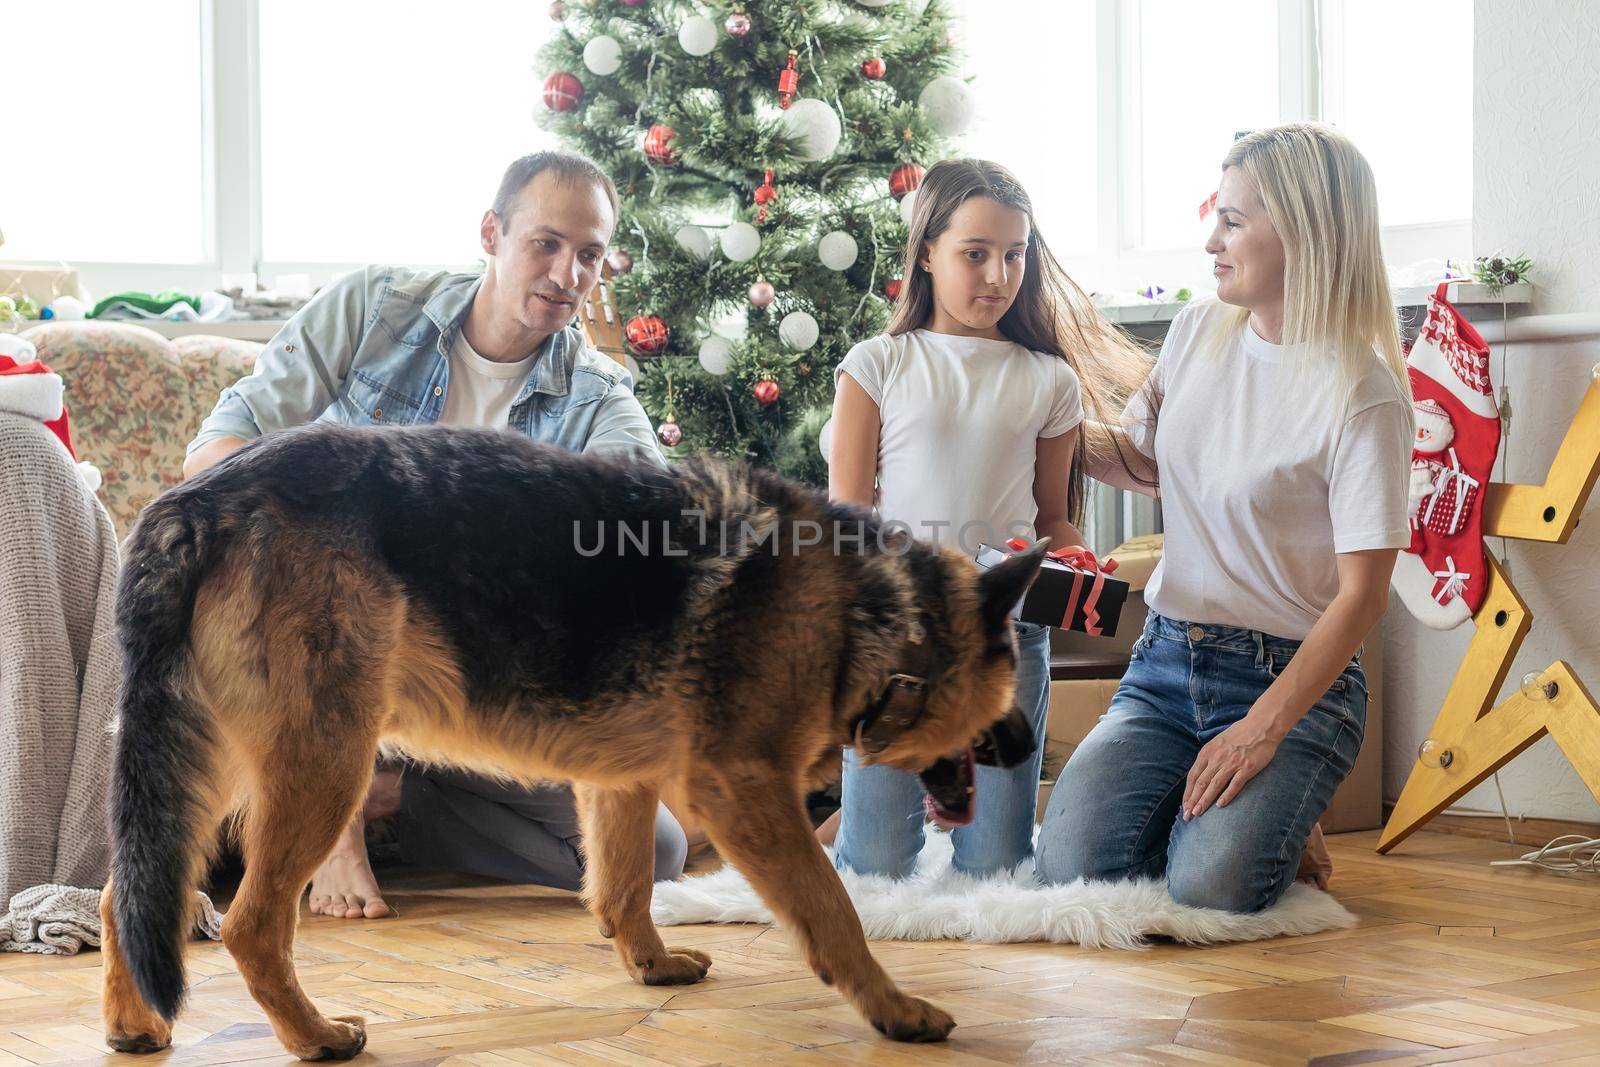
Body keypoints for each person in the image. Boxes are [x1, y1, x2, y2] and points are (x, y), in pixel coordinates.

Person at [185, 150, 688, 919]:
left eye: (590, 255)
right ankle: (334, 818)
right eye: (546, 243)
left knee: (655, 851)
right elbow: (215, 456)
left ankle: (383, 795)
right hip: (316, 649)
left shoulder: (594, 394)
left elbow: (657, 529)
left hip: (462, 691)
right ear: (491, 232)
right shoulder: (374, 308)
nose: (567, 274)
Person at [1035, 124, 1413, 912]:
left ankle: (1276, 788)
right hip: (1169, 662)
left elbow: (1363, 598)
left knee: (1210, 886)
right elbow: (1145, 462)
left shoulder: (1362, 392)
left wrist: (1264, 730)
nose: (1211, 240)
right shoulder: (1199, 329)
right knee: (1070, 867)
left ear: (1306, 230)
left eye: (1234, 221)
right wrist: (1026, 416)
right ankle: (1252, 801)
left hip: (1290, 681)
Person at [823, 158, 1150, 879]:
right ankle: (848, 824)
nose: (997, 275)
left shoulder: (1047, 379)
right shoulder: (878, 364)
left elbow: (1052, 517)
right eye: (975, 254)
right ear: (928, 254)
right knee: (876, 866)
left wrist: (1073, 560)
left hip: (1005, 633)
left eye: (1013, 254)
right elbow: (848, 519)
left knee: (998, 865)